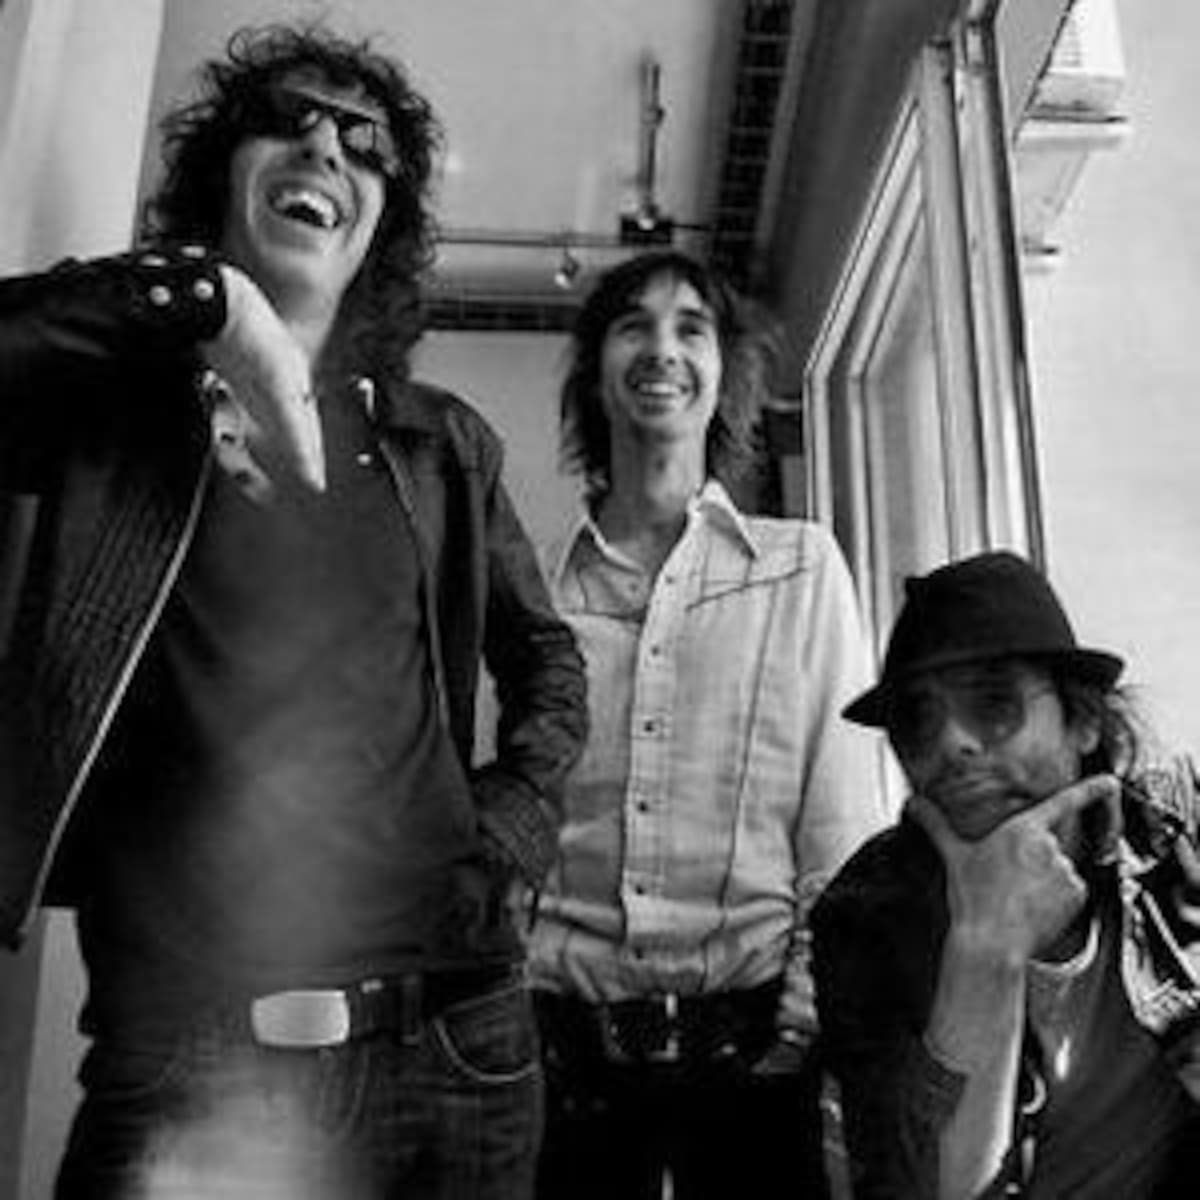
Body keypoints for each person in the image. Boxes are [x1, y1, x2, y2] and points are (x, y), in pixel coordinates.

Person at [0, 23, 587, 1200]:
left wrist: (511, 830)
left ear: (381, 224)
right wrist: (205, 298)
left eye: (365, 144)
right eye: (288, 118)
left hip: (458, 1044)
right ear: (224, 171)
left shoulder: (441, 444)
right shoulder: (114, 413)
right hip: (189, 1060)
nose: (325, 145)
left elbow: (549, 661)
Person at [527, 249, 889, 1199]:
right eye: (633, 326)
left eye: (691, 328)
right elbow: (498, 816)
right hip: (562, 1056)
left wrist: (809, 1011)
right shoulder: (530, 587)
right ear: (594, 372)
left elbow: (841, 823)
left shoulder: (802, 568)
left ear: (726, 375)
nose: (662, 348)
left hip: (757, 1053)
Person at [811, 550, 1200, 1199]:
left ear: (1083, 720)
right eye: (917, 721)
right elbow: (925, 1190)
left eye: (994, 703)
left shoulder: (1171, 841)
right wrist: (982, 953)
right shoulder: (866, 918)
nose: (952, 744)